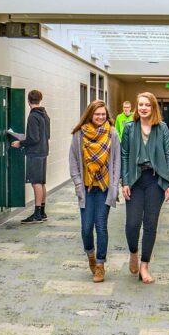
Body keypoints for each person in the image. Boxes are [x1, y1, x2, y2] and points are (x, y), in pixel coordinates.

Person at [120, 91, 169, 284]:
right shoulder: (129, 128)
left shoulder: (162, 128)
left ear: (153, 107)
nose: (143, 108)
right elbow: (124, 155)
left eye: (147, 105)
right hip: (135, 180)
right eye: (140, 104)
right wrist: (125, 181)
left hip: (155, 180)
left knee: (150, 224)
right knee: (132, 223)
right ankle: (133, 252)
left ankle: (144, 266)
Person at [68, 99, 120, 282]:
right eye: (97, 114)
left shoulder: (112, 133)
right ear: (90, 114)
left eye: (103, 115)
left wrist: (115, 186)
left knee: (101, 226)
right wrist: (77, 184)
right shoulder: (79, 134)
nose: (100, 117)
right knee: (86, 228)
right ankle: (90, 255)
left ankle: (100, 265)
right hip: (87, 188)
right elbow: (73, 161)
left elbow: (116, 162)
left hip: (105, 187)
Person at [8, 89, 51, 223]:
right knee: (41, 182)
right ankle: (42, 212)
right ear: (40, 99)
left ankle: (37, 214)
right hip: (43, 151)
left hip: (35, 153)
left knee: (36, 183)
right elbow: (46, 135)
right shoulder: (45, 115)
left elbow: (33, 138)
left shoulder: (33, 116)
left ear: (28, 101)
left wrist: (19, 143)